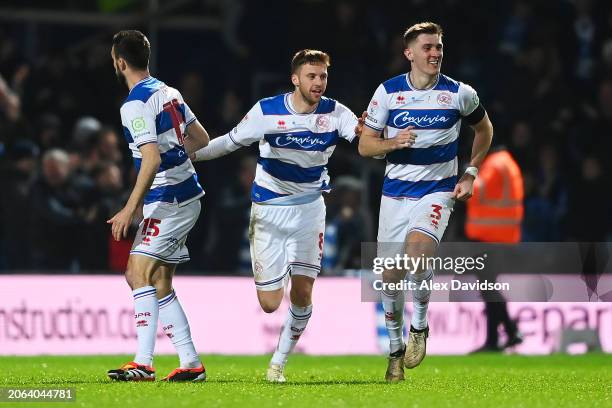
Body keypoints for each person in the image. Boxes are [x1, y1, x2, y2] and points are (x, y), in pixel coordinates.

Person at [191, 49, 363, 382]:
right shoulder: (266, 111)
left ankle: (278, 363)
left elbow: (364, 141)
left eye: (323, 76)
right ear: (295, 79)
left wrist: (382, 134)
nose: (318, 83)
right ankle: (277, 272)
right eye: (311, 76)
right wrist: (191, 156)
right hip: (269, 211)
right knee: (270, 303)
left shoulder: (336, 112)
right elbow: (229, 142)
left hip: (310, 210)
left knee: (302, 293)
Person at [358, 22, 494, 382]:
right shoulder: (387, 93)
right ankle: (395, 351)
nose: (435, 53)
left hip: (437, 191)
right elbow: (365, 145)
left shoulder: (459, 93)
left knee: (418, 253)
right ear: (409, 54)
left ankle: (420, 324)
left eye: (438, 47)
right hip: (394, 195)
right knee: (389, 276)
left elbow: (485, 130)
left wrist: (470, 172)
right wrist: (393, 142)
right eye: (428, 48)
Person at [106, 30, 210, 382]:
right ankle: (191, 364)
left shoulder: (134, 104)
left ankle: (143, 363)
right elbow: (200, 139)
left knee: (136, 272)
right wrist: (176, 154)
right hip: (184, 194)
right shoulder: (169, 92)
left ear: (120, 62)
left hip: (170, 199)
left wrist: (128, 209)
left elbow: (149, 160)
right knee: (160, 281)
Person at [467, 146, 524, 352]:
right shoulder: (509, 163)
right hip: (504, 236)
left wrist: (465, 175)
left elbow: (474, 188)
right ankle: (501, 336)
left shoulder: (495, 163)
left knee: (488, 287)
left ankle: (506, 333)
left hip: (490, 236)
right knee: (488, 287)